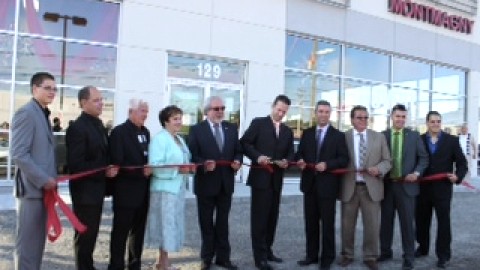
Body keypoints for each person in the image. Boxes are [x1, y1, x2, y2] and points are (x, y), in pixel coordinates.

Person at [66, 86, 118, 270]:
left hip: (97, 190)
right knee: (85, 236)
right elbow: (76, 164)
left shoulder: (98, 124)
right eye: (96, 100)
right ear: (83, 103)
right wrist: (103, 169)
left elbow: (103, 155)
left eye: (102, 99)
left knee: (92, 234)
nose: (101, 103)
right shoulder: (78, 128)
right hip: (84, 193)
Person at [240, 95, 294, 270]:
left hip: (277, 180)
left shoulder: (287, 131)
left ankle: (268, 250)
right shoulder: (258, 123)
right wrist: (257, 157)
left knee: (272, 218)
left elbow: (291, 153)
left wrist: (287, 161)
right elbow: (244, 143)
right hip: (260, 180)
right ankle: (259, 258)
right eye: (278, 110)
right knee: (260, 219)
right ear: (272, 106)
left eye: (284, 112)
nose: (280, 114)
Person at [188, 96, 242, 270]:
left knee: (223, 222)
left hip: (226, 184)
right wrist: (203, 164)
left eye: (222, 108)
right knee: (206, 223)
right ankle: (206, 258)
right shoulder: (196, 130)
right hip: (206, 184)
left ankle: (223, 258)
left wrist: (237, 161)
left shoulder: (231, 128)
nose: (220, 112)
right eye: (216, 109)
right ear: (207, 111)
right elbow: (192, 155)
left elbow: (238, 151)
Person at [11, 72, 58, 270]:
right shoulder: (27, 113)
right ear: (34, 89)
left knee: (37, 245)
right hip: (31, 190)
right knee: (28, 247)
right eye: (47, 88)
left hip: (42, 191)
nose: (52, 92)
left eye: (54, 89)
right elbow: (19, 154)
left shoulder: (42, 113)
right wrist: (43, 179)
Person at [295, 100, 349, 270]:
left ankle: (327, 257)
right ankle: (311, 255)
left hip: (328, 186)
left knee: (327, 223)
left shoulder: (338, 136)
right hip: (309, 185)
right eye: (320, 111)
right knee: (310, 223)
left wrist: (328, 164)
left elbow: (343, 159)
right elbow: (299, 154)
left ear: (330, 114)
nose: (323, 114)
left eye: (326, 111)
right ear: (315, 113)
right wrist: (300, 161)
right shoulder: (308, 133)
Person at [337, 105, 391, 270]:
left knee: (372, 225)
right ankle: (347, 254)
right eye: (359, 117)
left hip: (371, 187)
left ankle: (370, 256)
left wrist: (379, 169)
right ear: (352, 119)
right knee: (347, 225)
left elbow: (387, 161)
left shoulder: (378, 137)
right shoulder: (342, 137)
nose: (363, 120)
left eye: (366, 117)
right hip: (349, 187)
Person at [378, 104, 429, 270]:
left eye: (403, 116)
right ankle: (385, 252)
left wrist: (416, 173)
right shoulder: (382, 136)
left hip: (407, 187)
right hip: (386, 186)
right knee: (386, 222)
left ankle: (409, 256)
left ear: (406, 118)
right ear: (391, 117)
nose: (400, 119)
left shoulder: (414, 136)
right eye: (397, 116)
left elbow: (424, 159)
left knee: (407, 223)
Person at [415, 111, 467, 269]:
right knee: (421, 220)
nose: (436, 124)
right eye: (432, 121)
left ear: (441, 123)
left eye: (438, 121)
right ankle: (423, 247)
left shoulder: (451, 140)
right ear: (427, 123)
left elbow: (462, 163)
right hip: (423, 188)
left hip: (443, 189)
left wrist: (457, 176)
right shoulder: (419, 140)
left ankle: (443, 255)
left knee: (443, 222)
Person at [144, 105, 192, 270]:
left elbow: (184, 162)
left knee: (172, 225)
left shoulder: (179, 139)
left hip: (177, 189)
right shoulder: (160, 139)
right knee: (164, 225)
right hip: (164, 190)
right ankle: (162, 263)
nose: (179, 122)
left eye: (180, 118)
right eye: (175, 119)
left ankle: (164, 262)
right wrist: (178, 169)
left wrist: (189, 168)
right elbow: (155, 166)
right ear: (166, 121)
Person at [107, 99, 152, 270]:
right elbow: (117, 162)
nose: (145, 115)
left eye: (146, 111)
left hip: (143, 191)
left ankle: (135, 263)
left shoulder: (146, 132)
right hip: (125, 192)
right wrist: (141, 171)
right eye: (142, 110)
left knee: (138, 232)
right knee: (121, 231)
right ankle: (116, 265)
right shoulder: (119, 132)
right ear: (130, 111)